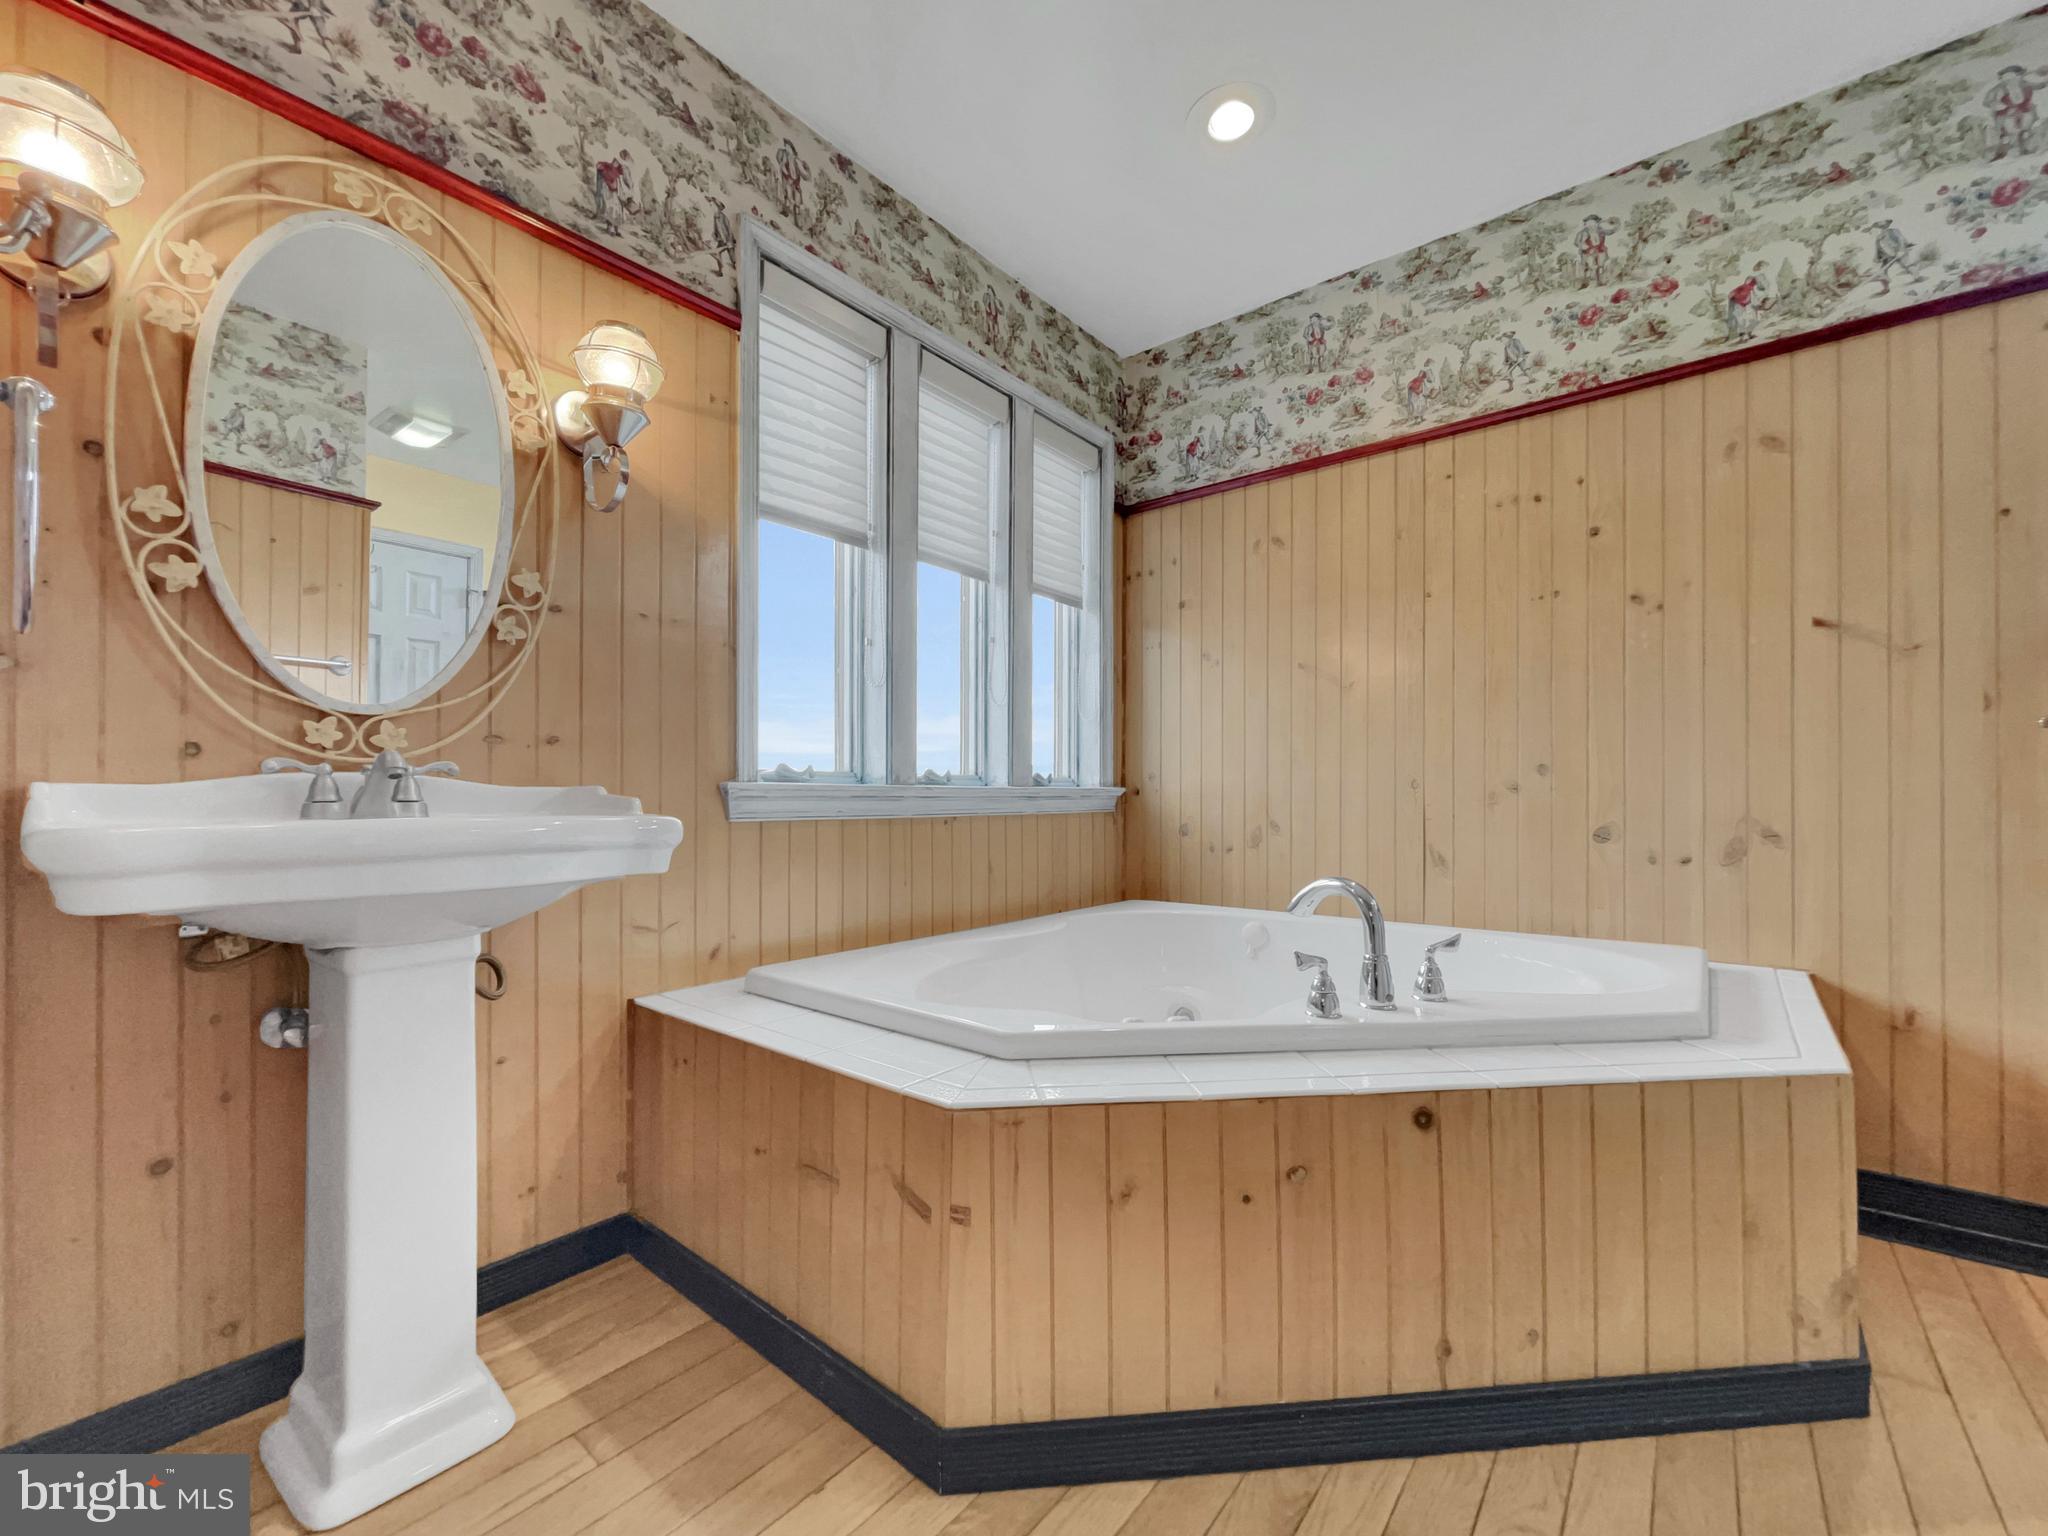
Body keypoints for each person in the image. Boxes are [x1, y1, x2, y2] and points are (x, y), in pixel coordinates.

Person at [1985, 64, 2040, 160]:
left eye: (2015, 76)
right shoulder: (2000, 89)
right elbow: (1988, 102)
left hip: (2025, 113)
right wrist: (1998, 105)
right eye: (2007, 78)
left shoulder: (2024, 84)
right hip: (2007, 115)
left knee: (2025, 131)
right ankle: (2000, 152)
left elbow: (2038, 85)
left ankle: (2025, 149)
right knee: (2002, 133)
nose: (2012, 80)